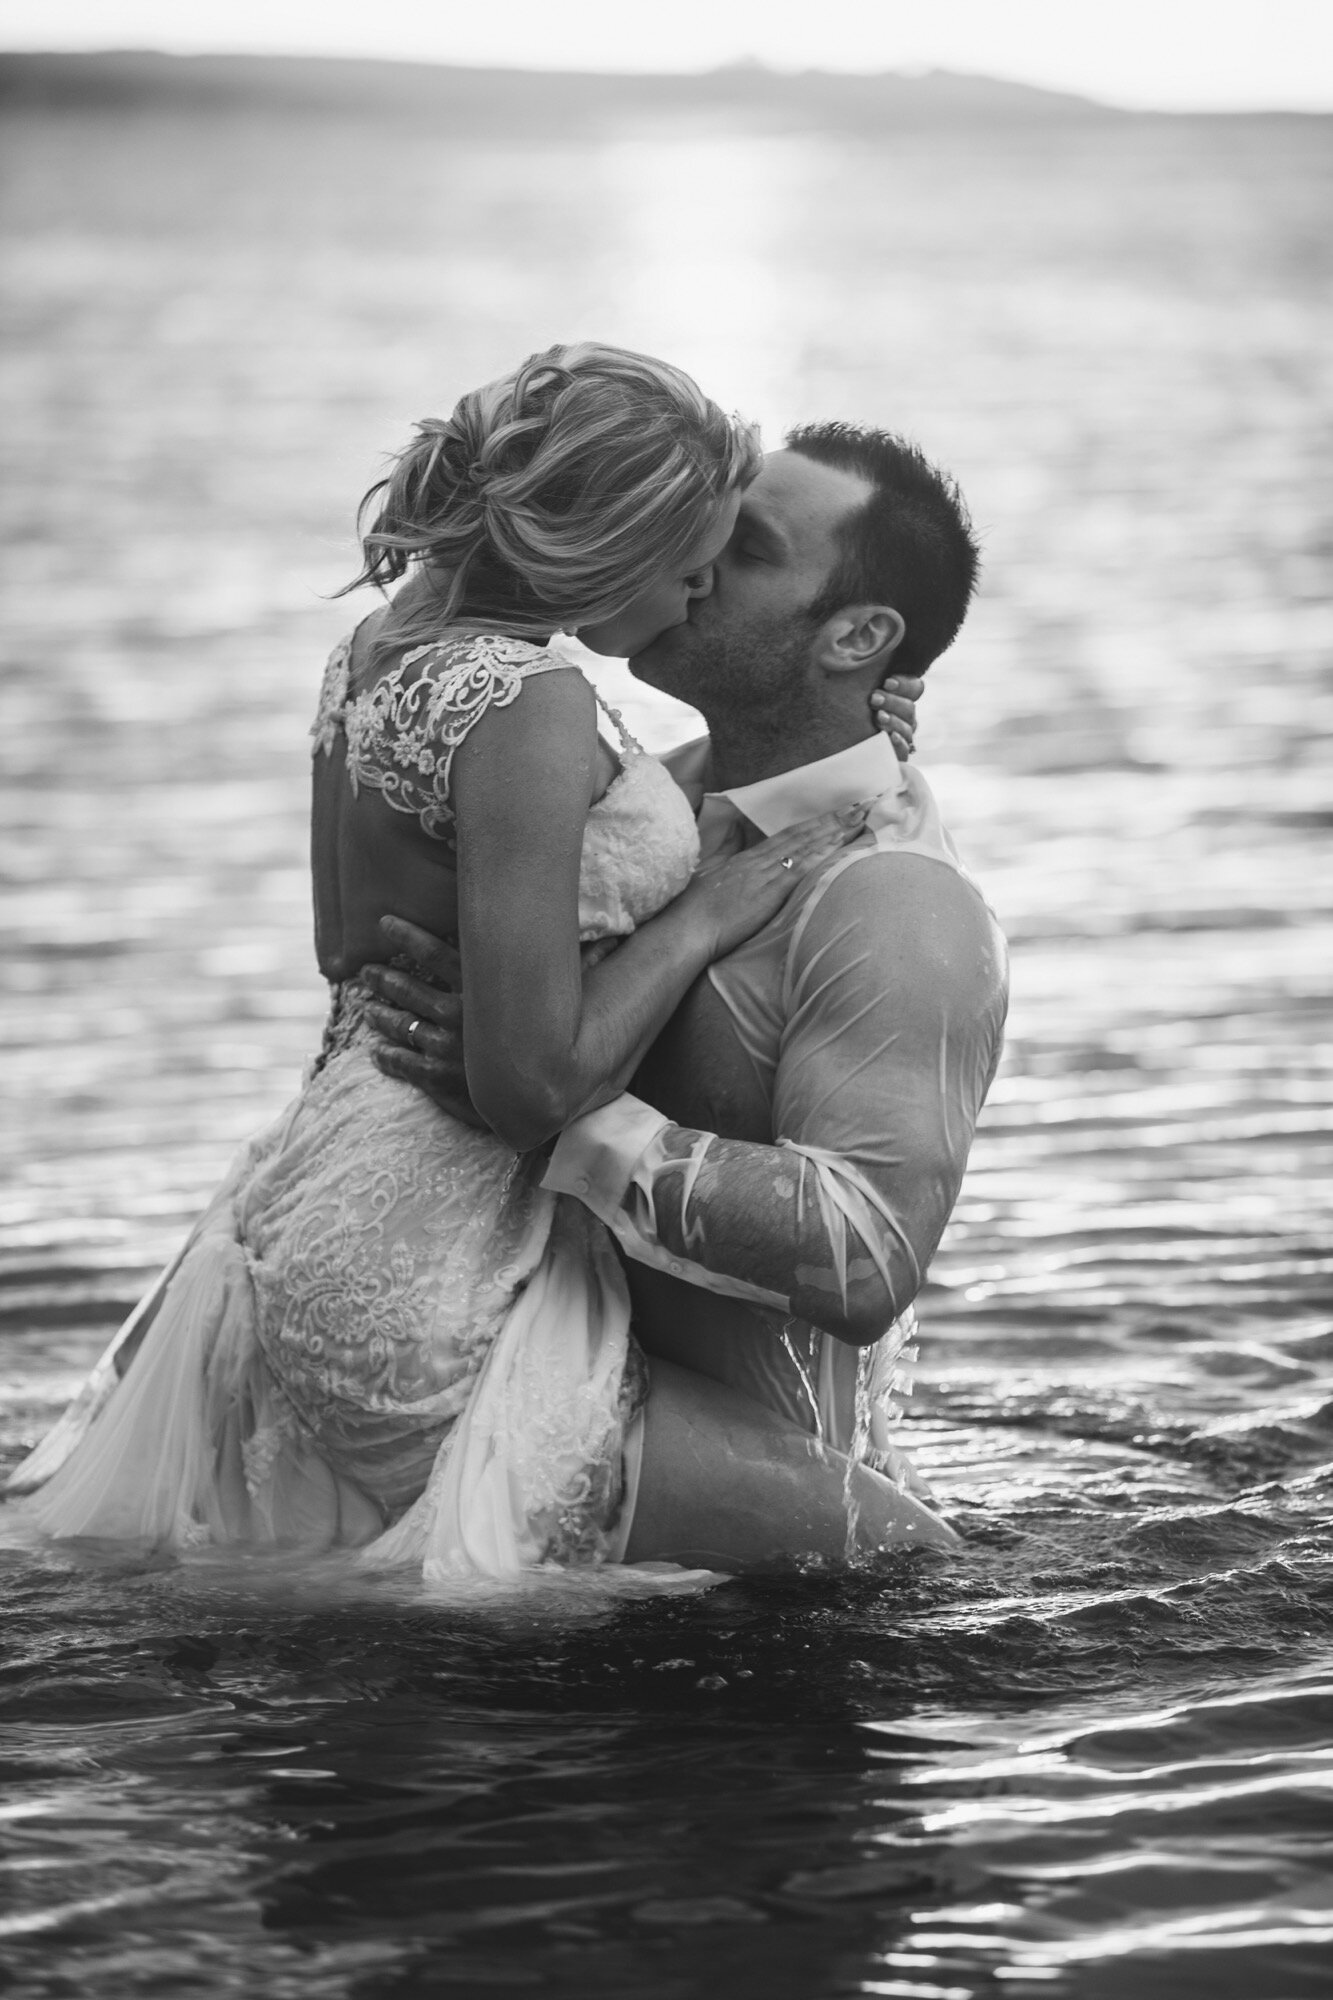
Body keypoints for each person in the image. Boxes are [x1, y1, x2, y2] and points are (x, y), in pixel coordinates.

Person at [5, 347, 941, 1584]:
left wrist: (836, 743)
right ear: (605, 542)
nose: (700, 586)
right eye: (687, 560)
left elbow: (373, 936)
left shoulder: (386, 646)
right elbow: (530, 1084)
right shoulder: (531, 696)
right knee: (897, 1560)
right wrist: (702, 919)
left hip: (310, 1199)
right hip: (422, 1270)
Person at [363, 424, 1010, 1566]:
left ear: (857, 634)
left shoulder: (897, 902)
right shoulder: (647, 800)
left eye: (745, 546)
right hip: (510, 1440)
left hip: (766, 1577)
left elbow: (866, 1255)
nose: (693, 556)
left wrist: (546, 1096)